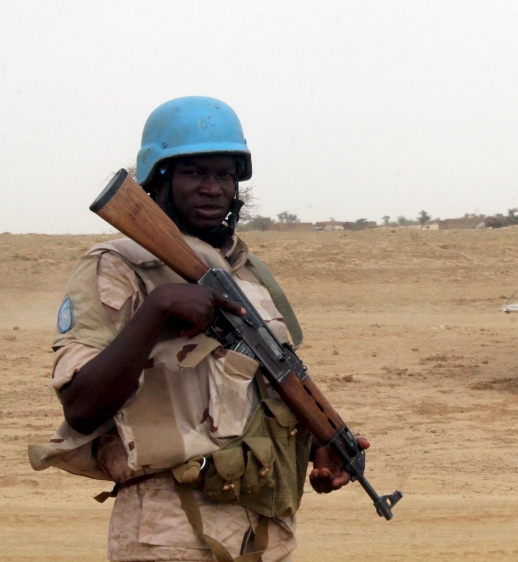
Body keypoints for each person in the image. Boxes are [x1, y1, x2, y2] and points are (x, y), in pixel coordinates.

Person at [29, 96, 364, 561]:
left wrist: (315, 445)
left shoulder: (246, 271)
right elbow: (81, 407)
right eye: (194, 173)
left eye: (224, 175)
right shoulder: (118, 266)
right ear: (158, 180)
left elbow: (259, 389)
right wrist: (157, 311)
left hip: (264, 528)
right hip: (170, 527)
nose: (212, 188)